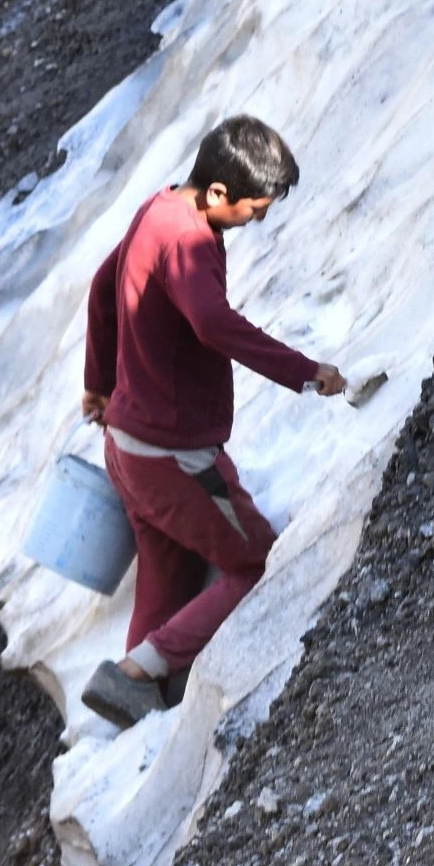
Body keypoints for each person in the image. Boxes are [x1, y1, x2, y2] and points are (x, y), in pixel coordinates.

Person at [77, 115, 345, 728]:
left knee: (169, 574)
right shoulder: (191, 242)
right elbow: (212, 323)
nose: (260, 221)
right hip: (175, 456)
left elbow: (101, 285)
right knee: (256, 565)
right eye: (256, 209)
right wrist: (306, 372)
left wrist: (96, 382)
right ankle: (135, 675)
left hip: (127, 443)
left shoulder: (159, 208)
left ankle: (138, 712)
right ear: (220, 193)